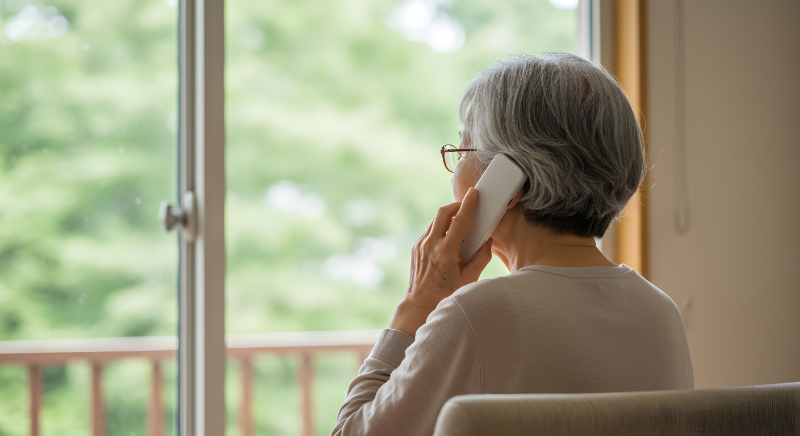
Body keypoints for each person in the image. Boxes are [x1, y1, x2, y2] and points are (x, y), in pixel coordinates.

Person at [331, 53, 693, 436]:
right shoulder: (660, 311)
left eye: (461, 152)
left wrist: (417, 304)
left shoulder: (477, 314)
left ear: (507, 180)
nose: (453, 174)